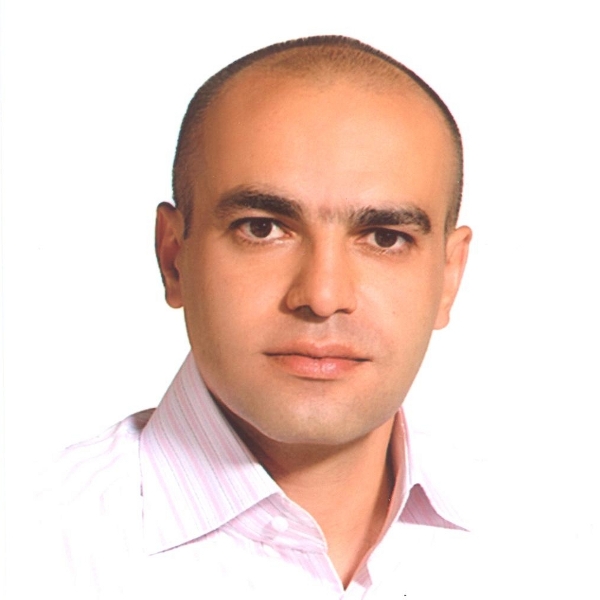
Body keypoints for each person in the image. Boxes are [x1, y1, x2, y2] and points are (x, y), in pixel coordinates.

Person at [38, 35, 476, 598]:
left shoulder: (546, 554)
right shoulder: (28, 548)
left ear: (449, 277)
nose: (322, 296)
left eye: (384, 237)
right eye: (262, 228)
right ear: (174, 258)